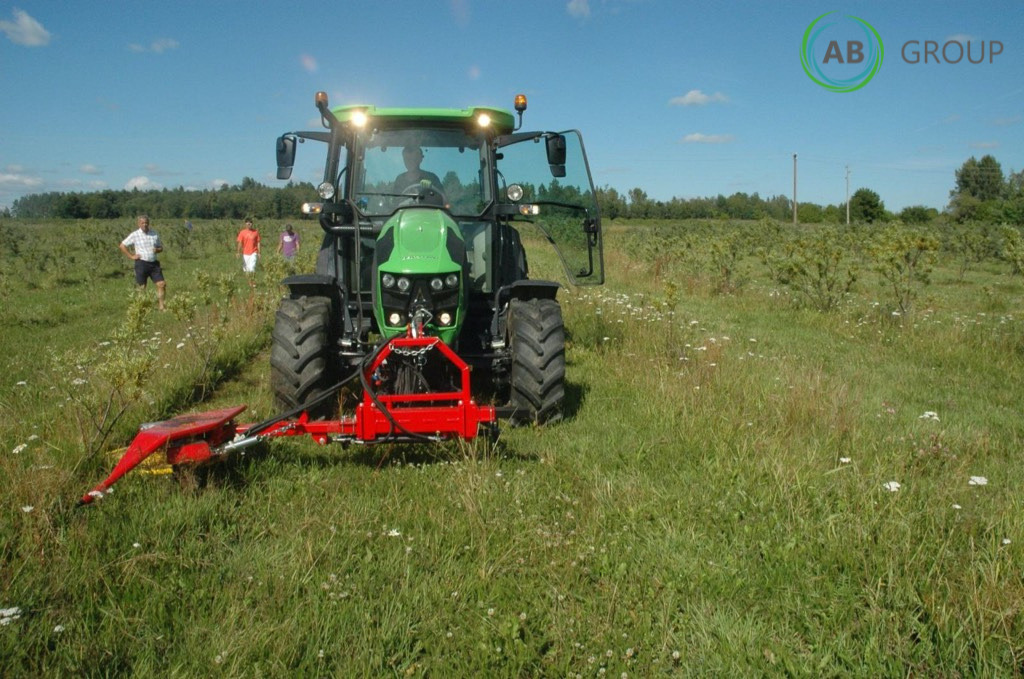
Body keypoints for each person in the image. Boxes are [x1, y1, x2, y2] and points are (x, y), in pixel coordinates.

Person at [119, 214, 166, 310]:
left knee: (162, 284)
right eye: (142, 223)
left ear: (149, 223)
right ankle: (142, 307)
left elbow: (160, 247)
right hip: (141, 263)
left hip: (154, 263)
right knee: (142, 287)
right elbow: (122, 245)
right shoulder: (135, 234)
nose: (145, 224)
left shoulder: (154, 233)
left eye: (146, 223)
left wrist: (158, 250)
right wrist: (131, 256)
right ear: (138, 224)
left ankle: (161, 306)